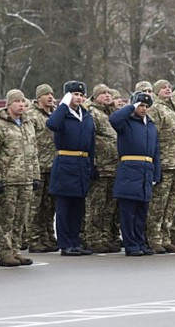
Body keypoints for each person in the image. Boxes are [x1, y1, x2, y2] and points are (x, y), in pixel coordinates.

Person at [0, 89, 40, 267]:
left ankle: (16, 250)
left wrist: (35, 176)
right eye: (17, 102)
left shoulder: (27, 123)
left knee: (20, 218)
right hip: (8, 179)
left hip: (25, 179)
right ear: (9, 104)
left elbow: (33, 152)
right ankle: (5, 252)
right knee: (6, 217)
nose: (21, 105)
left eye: (23, 102)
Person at [46, 81, 96, 256]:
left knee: (78, 207)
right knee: (64, 207)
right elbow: (51, 124)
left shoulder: (87, 116)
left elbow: (91, 142)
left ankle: (75, 241)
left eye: (81, 95)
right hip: (66, 162)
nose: (79, 98)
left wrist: (92, 164)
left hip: (82, 163)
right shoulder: (62, 114)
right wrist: (63, 105)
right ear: (68, 96)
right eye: (75, 94)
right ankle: (65, 243)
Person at [109, 91, 161, 256]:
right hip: (130, 169)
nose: (144, 109)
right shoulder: (126, 122)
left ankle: (140, 242)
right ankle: (131, 245)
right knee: (128, 211)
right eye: (141, 105)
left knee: (141, 212)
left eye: (146, 106)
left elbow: (156, 152)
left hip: (146, 171)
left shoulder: (151, 125)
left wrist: (156, 174)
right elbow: (114, 119)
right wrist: (132, 105)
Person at [145, 79, 175, 254]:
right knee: (158, 203)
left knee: (171, 204)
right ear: (156, 91)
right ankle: (153, 237)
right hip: (164, 162)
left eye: (169, 87)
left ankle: (166, 236)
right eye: (163, 87)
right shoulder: (156, 108)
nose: (167, 89)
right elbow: (153, 136)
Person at [83, 84, 121, 253]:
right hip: (101, 165)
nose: (107, 96)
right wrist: (92, 164)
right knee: (96, 205)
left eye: (108, 93)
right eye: (103, 93)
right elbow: (89, 138)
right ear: (95, 96)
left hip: (114, 165)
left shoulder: (112, 112)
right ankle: (93, 237)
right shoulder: (92, 112)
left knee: (110, 206)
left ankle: (106, 236)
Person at [26, 84, 60, 253]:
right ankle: (34, 238)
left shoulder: (54, 113)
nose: (50, 97)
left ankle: (47, 235)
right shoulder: (31, 115)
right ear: (38, 97)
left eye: (52, 94)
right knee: (35, 206)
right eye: (46, 94)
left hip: (53, 166)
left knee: (49, 205)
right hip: (38, 166)